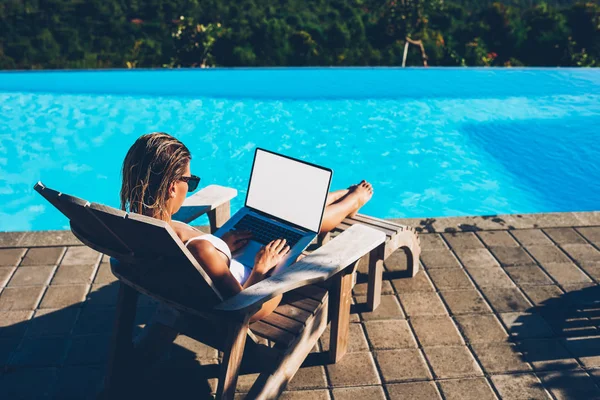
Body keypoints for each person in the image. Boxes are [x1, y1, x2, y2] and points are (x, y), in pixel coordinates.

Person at [120, 132, 373, 352]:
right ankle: (353, 200)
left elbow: (199, 259)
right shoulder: (200, 249)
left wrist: (221, 247)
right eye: (190, 181)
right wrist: (263, 267)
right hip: (255, 297)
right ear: (172, 188)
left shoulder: (134, 231)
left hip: (201, 283)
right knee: (303, 229)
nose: (191, 186)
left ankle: (340, 195)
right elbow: (242, 306)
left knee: (291, 218)